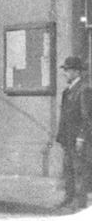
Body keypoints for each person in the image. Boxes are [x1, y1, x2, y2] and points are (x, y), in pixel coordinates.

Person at [53, 55, 92, 213]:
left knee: (79, 169)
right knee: (68, 168)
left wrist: (81, 138)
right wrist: (61, 137)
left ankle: (80, 201)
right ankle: (69, 197)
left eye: (68, 70)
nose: (65, 73)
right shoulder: (67, 91)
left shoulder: (84, 90)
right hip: (67, 138)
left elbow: (86, 117)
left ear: (77, 72)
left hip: (78, 139)